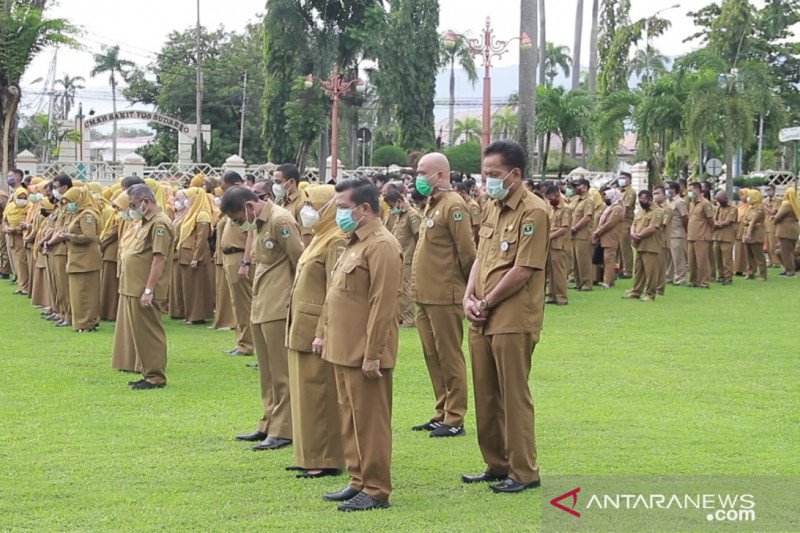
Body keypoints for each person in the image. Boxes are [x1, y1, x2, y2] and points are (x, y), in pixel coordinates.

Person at [461, 140, 548, 494]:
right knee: (485, 394)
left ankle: (524, 471)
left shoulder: (534, 211)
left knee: (513, 395)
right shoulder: (492, 206)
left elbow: (524, 268)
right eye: (485, 175)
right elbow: (482, 256)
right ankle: (496, 463)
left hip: (512, 316)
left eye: (494, 175)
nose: (488, 181)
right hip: (483, 313)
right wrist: (469, 295)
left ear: (515, 174)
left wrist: (487, 301)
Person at [320, 177, 402, 512]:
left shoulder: (381, 245)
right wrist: (323, 333)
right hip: (343, 348)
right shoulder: (354, 242)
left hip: (365, 353)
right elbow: (337, 296)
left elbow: (383, 306)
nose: (338, 214)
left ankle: (377, 488)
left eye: (343, 208)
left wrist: (373, 355)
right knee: (351, 419)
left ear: (364, 209)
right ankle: (358, 480)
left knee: (370, 423)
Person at [223, 186, 303, 451]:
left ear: (248, 205)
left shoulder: (280, 220)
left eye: (236, 218)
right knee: (267, 372)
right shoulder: (258, 224)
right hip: (262, 303)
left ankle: (284, 429)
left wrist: (295, 299)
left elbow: (299, 260)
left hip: (279, 304)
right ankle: (269, 421)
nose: (237, 224)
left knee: (281, 372)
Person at [411, 152, 476, 438]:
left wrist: (467, 289)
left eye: (423, 172)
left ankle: (455, 417)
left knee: (449, 356)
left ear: (440, 175)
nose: (418, 177)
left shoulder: (453, 205)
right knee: (431, 354)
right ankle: (442, 410)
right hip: (424, 294)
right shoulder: (431, 203)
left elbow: (467, 252)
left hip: (445, 293)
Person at [286, 184, 346, 479]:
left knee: (318, 392)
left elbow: (334, 292)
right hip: (300, 324)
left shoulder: (336, 241)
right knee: (304, 393)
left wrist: (323, 328)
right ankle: (307, 453)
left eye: (312, 203)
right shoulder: (318, 237)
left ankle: (324, 457)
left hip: (315, 328)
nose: (306, 210)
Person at [113, 184, 174, 389]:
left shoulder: (159, 224)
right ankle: (148, 373)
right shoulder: (146, 222)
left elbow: (159, 259)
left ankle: (156, 377)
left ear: (146, 202)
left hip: (145, 290)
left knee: (150, 333)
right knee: (140, 334)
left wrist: (149, 290)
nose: (131, 209)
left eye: (133, 205)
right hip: (134, 287)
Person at [219, 172, 255, 357]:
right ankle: (242, 341)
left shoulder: (245, 207)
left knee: (244, 304)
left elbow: (251, 235)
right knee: (237, 303)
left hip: (239, 255)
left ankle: (247, 344)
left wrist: (245, 262)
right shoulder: (234, 204)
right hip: (230, 256)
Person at [60, 187, 102, 332]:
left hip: (85, 259)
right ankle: (83, 321)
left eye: (71, 201)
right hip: (78, 258)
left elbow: (89, 236)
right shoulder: (78, 214)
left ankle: (86, 323)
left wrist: (69, 237)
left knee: (85, 292)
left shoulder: (87, 215)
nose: (70, 204)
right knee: (79, 292)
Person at [178, 187, 215, 324]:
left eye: (189, 197)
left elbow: (201, 237)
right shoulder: (191, 213)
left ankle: (197, 316)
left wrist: (196, 257)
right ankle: (191, 315)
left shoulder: (202, 214)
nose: (187, 201)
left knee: (197, 287)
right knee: (189, 287)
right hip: (186, 253)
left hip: (194, 255)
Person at [384, 188, 420, 328]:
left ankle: (410, 319)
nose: (392, 209)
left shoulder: (412, 215)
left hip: (408, 258)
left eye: (392, 205)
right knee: (399, 289)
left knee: (407, 289)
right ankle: (401, 316)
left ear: (398, 201)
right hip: (399, 257)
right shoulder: (399, 215)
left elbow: (418, 238)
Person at [625, 190, 664, 301]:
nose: (642, 203)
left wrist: (638, 236)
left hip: (650, 245)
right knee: (638, 270)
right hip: (639, 245)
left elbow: (653, 228)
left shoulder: (657, 212)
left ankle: (650, 294)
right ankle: (636, 291)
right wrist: (632, 233)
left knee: (651, 272)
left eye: (644, 200)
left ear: (650, 199)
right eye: (640, 201)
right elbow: (634, 224)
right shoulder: (641, 211)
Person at [273, 163, 312, 245]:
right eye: (274, 182)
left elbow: (306, 236)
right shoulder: (281, 201)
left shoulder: (302, 204)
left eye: (278, 182)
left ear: (291, 182)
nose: (275, 186)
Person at [592, 188, 624, 289]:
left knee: (609, 260)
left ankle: (607, 282)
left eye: (608, 197)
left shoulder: (617, 208)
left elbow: (610, 223)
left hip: (610, 237)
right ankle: (609, 281)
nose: (606, 198)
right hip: (604, 237)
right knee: (606, 260)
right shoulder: (610, 207)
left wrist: (598, 232)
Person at [545, 185, 570, 305]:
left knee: (559, 271)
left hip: (558, 244)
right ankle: (551, 295)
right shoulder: (550, 208)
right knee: (550, 271)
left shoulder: (565, 209)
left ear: (557, 195)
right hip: (549, 243)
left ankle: (561, 296)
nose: (550, 201)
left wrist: (549, 237)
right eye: (548, 199)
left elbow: (564, 228)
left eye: (551, 198)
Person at [98, 190, 122, 321]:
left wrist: (100, 245)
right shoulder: (115, 214)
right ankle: (106, 311)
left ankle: (111, 312)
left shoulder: (120, 217)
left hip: (112, 253)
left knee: (111, 285)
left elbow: (111, 234)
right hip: (109, 253)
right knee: (108, 284)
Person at [686, 182, 714, 288]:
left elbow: (710, 220)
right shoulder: (692, 203)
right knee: (691, 261)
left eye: (691, 190)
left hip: (701, 236)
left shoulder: (705, 203)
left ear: (697, 190)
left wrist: (709, 231)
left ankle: (704, 282)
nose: (690, 193)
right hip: (691, 236)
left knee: (702, 260)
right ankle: (694, 280)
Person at [3, 187, 30, 295]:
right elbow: (5, 219)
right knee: (16, 263)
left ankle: (25, 287)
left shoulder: (29, 207)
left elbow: (28, 223)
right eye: (20, 197)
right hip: (11, 237)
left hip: (21, 237)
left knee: (22, 263)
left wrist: (15, 229)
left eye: (24, 198)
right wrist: (5, 227)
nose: (22, 200)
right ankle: (21, 285)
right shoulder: (10, 207)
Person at [570, 178, 595, 291]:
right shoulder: (576, 200)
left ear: (584, 187)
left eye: (577, 186)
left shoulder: (588, 200)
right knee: (575, 260)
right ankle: (578, 281)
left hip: (582, 234)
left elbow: (587, 217)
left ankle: (586, 283)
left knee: (583, 260)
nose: (575, 188)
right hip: (573, 235)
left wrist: (575, 227)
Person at [772, 186, 799, 277]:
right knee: (788, 251)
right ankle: (788, 269)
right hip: (793, 229)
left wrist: (774, 219)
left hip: (785, 231)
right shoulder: (796, 204)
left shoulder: (787, 204)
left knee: (786, 252)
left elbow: (779, 216)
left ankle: (790, 271)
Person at [712, 191, 738, 285]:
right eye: (717, 200)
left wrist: (718, 223)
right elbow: (713, 220)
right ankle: (721, 276)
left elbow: (727, 222)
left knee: (727, 259)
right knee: (718, 259)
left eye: (719, 199)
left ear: (725, 198)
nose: (718, 202)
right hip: (717, 237)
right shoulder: (718, 208)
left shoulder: (733, 209)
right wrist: (717, 223)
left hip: (727, 237)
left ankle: (728, 277)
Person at [742, 189, 767, 280]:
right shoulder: (750, 207)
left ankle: (763, 275)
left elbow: (754, 221)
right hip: (747, 233)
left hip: (756, 234)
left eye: (750, 196)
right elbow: (744, 220)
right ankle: (750, 272)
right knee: (748, 255)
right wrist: (748, 223)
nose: (748, 198)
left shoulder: (760, 208)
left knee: (759, 255)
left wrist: (749, 231)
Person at [666, 182, 689, 285]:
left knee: (678, 257)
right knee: (670, 258)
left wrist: (683, 229)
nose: (667, 191)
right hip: (669, 233)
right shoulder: (669, 202)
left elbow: (685, 217)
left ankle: (680, 278)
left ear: (674, 190)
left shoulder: (680, 202)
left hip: (677, 232)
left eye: (668, 188)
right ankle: (669, 277)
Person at [653, 186, 673, 295]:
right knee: (654, 265)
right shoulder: (655, 208)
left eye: (658, 193)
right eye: (654, 193)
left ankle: (660, 289)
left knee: (661, 267)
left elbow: (661, 224)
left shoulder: (667, 208)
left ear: (664, 195)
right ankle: (653, 285)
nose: (655, 195)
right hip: (654, 241)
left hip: (662, 241)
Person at [617, 173, 635, 278]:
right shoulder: (620, 191)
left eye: (623, 178)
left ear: (629, 180)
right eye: (620, 178)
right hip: (618, 220)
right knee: (618, 247)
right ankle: (620, 269)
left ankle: (628, 271)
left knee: (625, 246)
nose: (621, 180)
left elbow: (626, 206)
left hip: (625, 220)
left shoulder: (630, 192)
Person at [763, 184, 782, 267]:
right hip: (765, 224)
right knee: (767, 246)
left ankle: (776, 262)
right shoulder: (765, 201)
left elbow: (774, 212)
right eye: (766, 190)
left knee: (773, 245)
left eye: (769, 189)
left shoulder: (778, 200)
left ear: (774, 190)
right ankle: (770, 262)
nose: (767, 191)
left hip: (773, 224)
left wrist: (765, 207)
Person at [734, 188, 751, 276]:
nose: (741, 197)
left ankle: (746, 269)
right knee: (738, 250)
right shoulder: (740, 205)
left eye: (743, 194)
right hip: (738, 230)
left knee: (745, 250)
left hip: (745, 229)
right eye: (740, 195)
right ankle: (738, 268)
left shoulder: (750, 206)